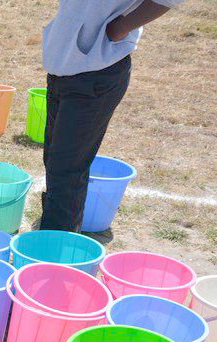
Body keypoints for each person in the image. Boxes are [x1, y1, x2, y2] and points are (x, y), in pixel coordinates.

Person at [40, 0, 184, 232]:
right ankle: (56, 235)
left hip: (96, 72)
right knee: (55, 160)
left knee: (66, 168)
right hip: (63, 66)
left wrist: (122, 27)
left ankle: (56, 249)